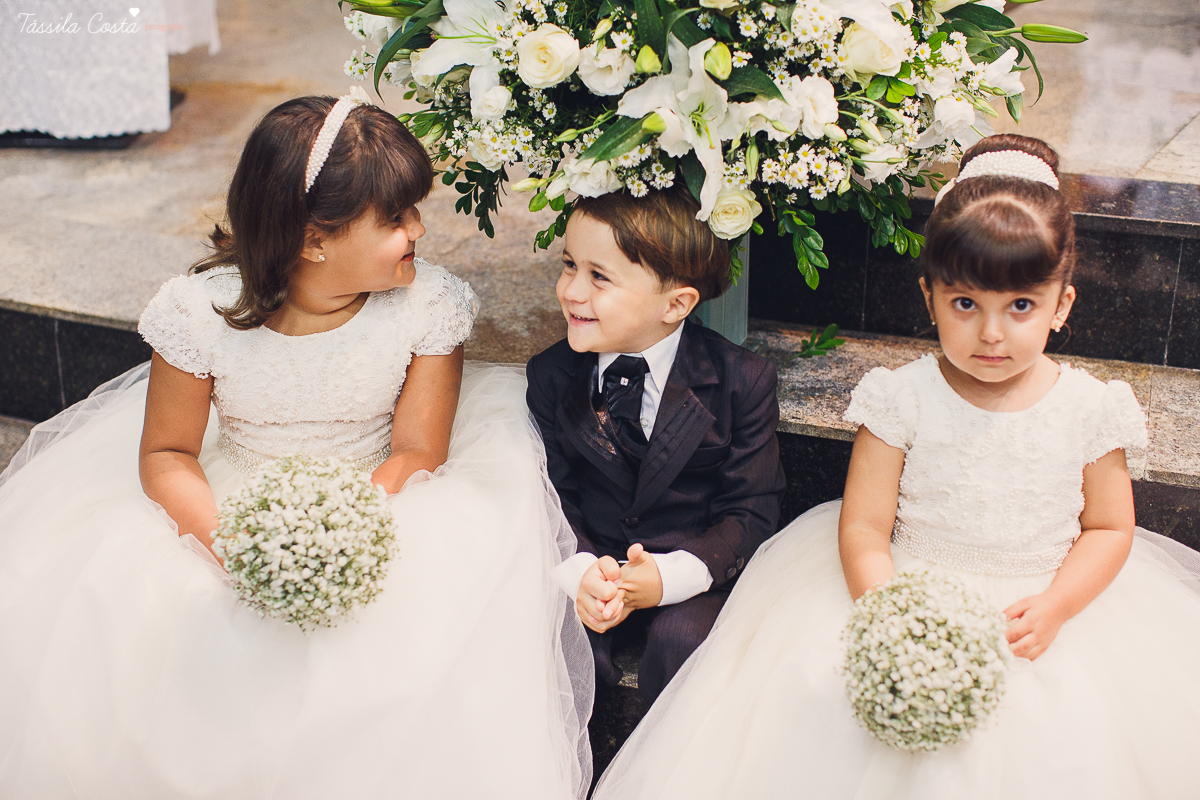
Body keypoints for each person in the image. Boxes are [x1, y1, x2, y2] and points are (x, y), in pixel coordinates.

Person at [0, 91, 593, 799]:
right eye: (396, 218)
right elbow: (166, 455)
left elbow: (417, 451)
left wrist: (340, 531)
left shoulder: (430, 306)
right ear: (314, 237)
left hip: (383, 497)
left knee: (396, 640)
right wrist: (232, 542)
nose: (420, 230)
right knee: (160, 626)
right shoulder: (200, 315)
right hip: (227, 502)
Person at [589, 134, 1200, 799]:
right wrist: (887, 612)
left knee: (1065, 729)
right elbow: (864, 527)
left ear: (1062, 304)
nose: (992, 334)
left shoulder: (1089, 408)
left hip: (1038, 606)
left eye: (1020, 306)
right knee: (820, 694)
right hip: (901, 589)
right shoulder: (899, 397)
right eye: (966, 304)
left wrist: (1056, 607)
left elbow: (1110, 529)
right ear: (930, 296)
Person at [526, 186, 787, 703]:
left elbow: (751, 509)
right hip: (592, 563)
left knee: (685, 639)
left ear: (676, 303)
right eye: (569, 266)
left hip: (692, 573)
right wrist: (582, 572)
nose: (572, 291)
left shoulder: (740, 380)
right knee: (558, 637)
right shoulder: (552, 374)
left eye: (599, 277)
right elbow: (553, 491)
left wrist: (669, 578)